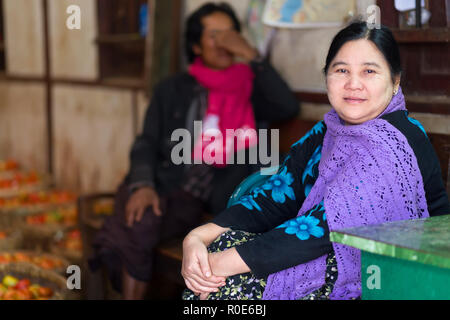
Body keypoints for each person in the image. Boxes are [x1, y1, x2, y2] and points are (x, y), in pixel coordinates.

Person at [181, 21, 450, 300]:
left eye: (369, 71)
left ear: (395, 81)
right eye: (341, 70)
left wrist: (215, 267)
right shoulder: (329, 130)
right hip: (325, 251)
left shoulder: (394, 143)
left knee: (225, 285)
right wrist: (199, 236)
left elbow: (322, 228)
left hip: (392, 275)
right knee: (220, 253)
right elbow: (279, 194)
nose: (353, 83)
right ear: (327, 77)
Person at [88, 2, 299, 300]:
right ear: (197, 45)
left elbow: (287, 106)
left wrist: (251, 54)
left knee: (132, 228)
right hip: (165, 182)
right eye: (214, 35)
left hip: (206, 196)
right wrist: (144, 184)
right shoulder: (173, 89)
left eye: (230, 35)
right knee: (140, 217)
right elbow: (146, 142)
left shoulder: (250, 85)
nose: (224, 43)